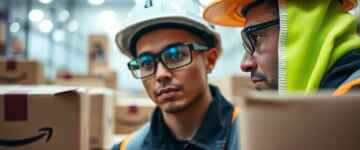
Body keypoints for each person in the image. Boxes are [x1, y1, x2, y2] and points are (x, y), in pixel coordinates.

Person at [112, 0, 240, 149]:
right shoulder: (127, 148)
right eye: (146, 63)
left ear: (209, 60)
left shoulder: (251, 138)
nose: (160, 74)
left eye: (176, 55)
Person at [203, 0, 360, 95]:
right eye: (246, 44)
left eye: (256, 39)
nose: (245, 64)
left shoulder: (350, 103)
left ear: (304, 30)